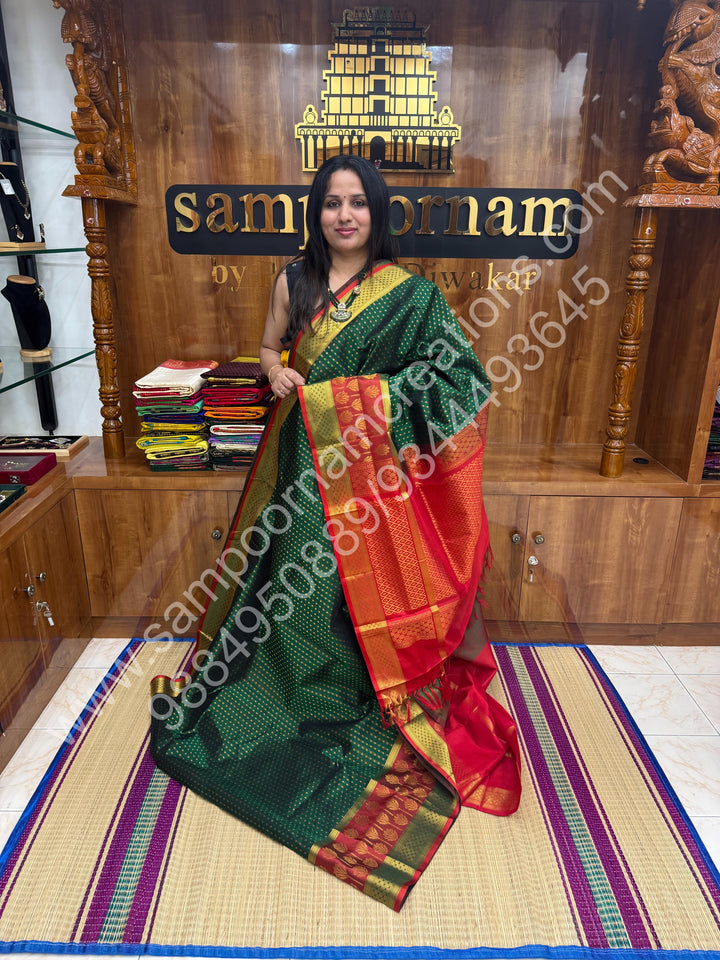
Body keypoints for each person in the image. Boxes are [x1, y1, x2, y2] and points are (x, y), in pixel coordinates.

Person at [150, 155, 521, 911]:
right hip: (301, 469)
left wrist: (355, 400)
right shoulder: (295, 282)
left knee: (359, 595)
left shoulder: (412, 296)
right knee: (300, 586)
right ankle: (292, 690)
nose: (344, 215)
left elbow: (461, 381)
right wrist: (276, 373)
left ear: (377, 215)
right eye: (331, 203)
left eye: (357, 203)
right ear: (315, 213)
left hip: (375, 483)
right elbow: (266, 351)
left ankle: (356, 691)